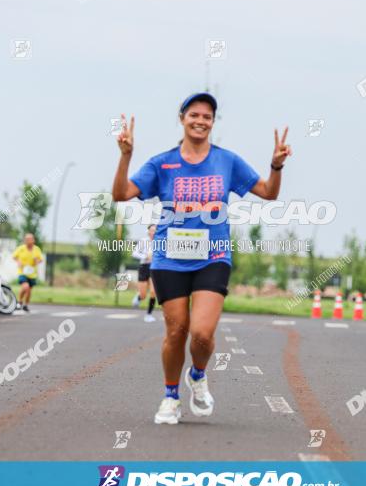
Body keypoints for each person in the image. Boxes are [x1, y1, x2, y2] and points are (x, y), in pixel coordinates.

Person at [111, 92, 291, 425]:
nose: (201, 121)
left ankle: (197, 374)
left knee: (202, 334)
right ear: (182, 118)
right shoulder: (162, 163)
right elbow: (121, 194)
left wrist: (276, 165)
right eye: (194, 115)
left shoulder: (227, 161)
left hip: (213, 256)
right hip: (169, 258)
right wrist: (126, 156)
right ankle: (170, 397)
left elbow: (269, 193)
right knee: (177, 331)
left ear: (212, 123)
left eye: (207, 117)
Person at [131, 225, 157, 322]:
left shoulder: (160, 242)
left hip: (154, 268)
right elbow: (134, 253)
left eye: (155, 230)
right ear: (148, 231)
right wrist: (145, 256)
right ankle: (138, 297)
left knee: (153, 292)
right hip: (144, 267)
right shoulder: (143, 241)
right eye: (152, 230)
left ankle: (149, 315)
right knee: (143, 295)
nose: (153, 232)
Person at [12, 233, 43, 313]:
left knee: (29, 290)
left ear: (33, 240)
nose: (28, 241)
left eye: (30, 239)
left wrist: (37, 261)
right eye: (26, 239)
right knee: (25, 287)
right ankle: (19, 302)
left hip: (32, 273)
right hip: (22, 272)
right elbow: (14, 256)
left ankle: (25, 305)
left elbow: (40, 259)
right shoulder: (21, 248)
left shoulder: (36, 249)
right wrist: (18, 261)